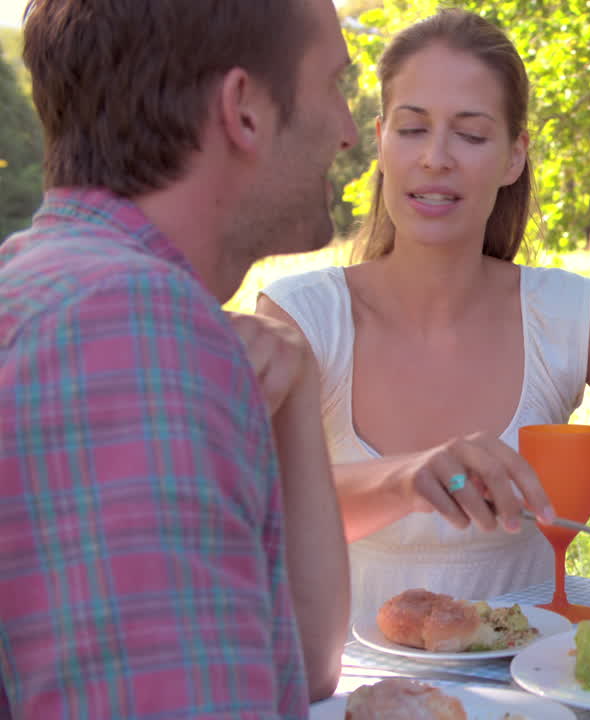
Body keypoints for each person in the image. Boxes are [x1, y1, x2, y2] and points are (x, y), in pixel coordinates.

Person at [257, 9, 590, 621]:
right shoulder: (302, 317)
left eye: (472, 135)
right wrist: (408, 480)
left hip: (523, 694)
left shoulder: (561, 313)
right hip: (343, 692)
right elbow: (245, 511)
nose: (435, 158)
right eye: (411, 129)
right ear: (379, 142)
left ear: (514, 157)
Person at [0, 0, 357, 715]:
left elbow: (300, 664)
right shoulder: (127, 325)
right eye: (335, 86)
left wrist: (295, 392)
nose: (348, 132)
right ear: (245, 108)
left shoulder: (53, 281)